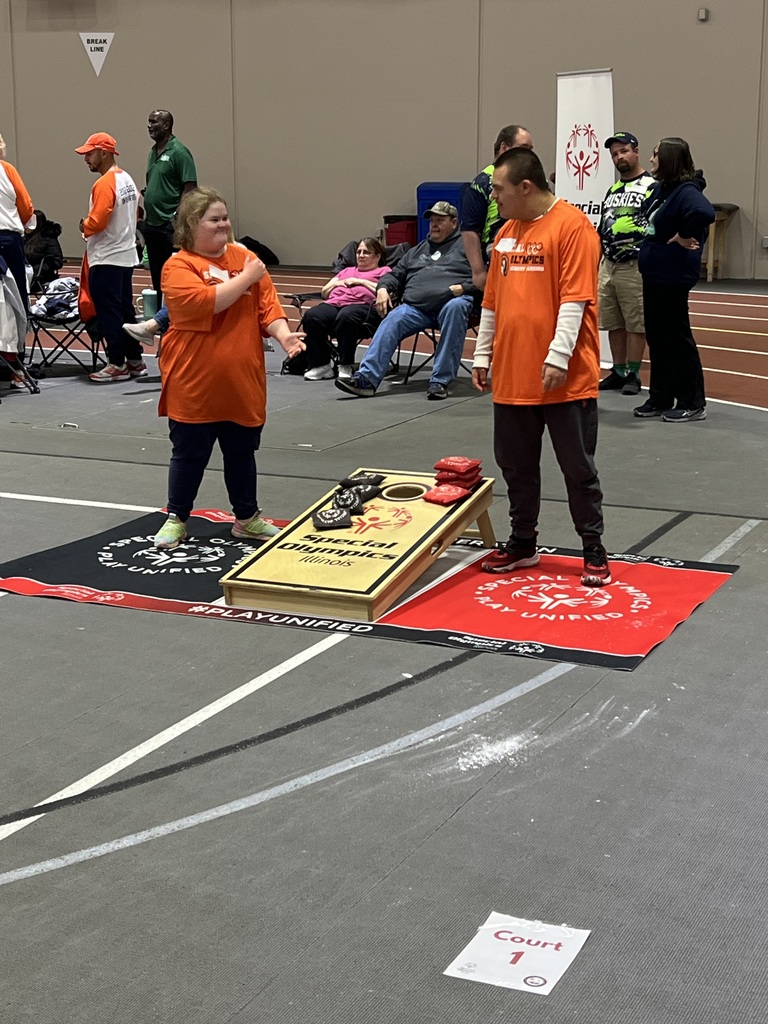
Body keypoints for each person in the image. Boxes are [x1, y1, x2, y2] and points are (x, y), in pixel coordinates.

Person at [472, 148, 611, 587]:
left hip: (564, 379)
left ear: (525, 187)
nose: (494, 198)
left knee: (577, 467)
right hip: (513, 376)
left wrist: (557, 356)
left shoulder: (573, 227)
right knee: (515, 466)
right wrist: (482, 353)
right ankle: (522, 543)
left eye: (499, 190)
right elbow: (492, 301)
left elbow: (575, 299)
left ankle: (593, 549)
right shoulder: (507, 233)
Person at [152, 187, 306, 550]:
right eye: (215, 219)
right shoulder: (178, 267)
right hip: (194, 383)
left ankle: (247, 519)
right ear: (192, 224)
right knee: (189, 454)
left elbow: (268, 309)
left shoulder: (245, 258)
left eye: (225, 217)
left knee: (241, 453)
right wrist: (246, 278)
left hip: (241, 380)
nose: (224, 225)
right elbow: (202, 304)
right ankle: (177, 518)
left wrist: (286, 339)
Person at [335, 201, 474, 401]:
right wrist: (383, 288)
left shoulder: (467, 246)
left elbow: (484, 278)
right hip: (416, 307)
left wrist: (464, 288)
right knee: (394, 318)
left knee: (457, 306)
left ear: (454, 223)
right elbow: (395, 274)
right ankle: (366, 379)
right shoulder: (417, 250)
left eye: (440, 220)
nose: (434, 224)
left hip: (450, 303)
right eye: (432, 220)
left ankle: (439, 381)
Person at [635, 137, 715, 422]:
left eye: (656, 154)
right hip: (655, 273)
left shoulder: (685, 191)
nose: (651, 159)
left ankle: (693, 402)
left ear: (668, 159)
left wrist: (683, 235)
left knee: (677, 338)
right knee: (657, 337)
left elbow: (704, 212)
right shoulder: (662, 190)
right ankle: (660, 397)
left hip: (672, 276)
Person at [74, 132, 144, 384]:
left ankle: (116, 362)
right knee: (126, 310)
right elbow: (136, 213)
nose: (86, 160)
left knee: (109, 312)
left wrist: (84, 226)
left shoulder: (104, 184)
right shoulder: (126, 178)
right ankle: (135, 360)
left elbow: (98, 221)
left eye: (89, 154)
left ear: (104, 153)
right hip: (125, 255)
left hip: (106, 257)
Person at [597, 132, 655, 397]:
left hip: (635, 265)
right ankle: (617, 371)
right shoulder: (613, 190)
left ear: (636, 151)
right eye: (614, 154)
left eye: (623, 151)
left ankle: (633, 373)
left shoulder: (651, 186)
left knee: (635, 323)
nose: (619, 157)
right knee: (613, 322)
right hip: (608, 265)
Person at [302, 237, 391, 381]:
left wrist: (360, 281)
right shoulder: (346, 271)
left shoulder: (384, 272)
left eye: (366, 252)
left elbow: (387, 290)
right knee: (313, 316)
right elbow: (325, 293)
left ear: (377, 256)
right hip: (335, 303)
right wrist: (336, 284)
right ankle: (321, 365)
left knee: (347, 316)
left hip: (365, 308)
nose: (361, 255)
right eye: (359, 252)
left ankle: (345, 364)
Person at [461, 124, 534, 292]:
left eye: (531, 149)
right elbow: (470, 230)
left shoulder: (533, 180)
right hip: (496, 259)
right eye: (524, 148)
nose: (528, 154)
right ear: (504, 148)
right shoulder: (483, 181)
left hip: (530, 256)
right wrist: (478, 272)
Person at [142, 109, 197, 304]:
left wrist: (177, 217)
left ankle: (176, 313)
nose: (149, 126)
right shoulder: (153, 152)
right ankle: (159, 316)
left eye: (154, 122)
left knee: (174, 273)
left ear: (166, 125)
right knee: (157, 273)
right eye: (149, 122)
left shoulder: (179, 152)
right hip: (152, 224)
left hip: (169, 225)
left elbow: (190, 189)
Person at [0, 145, 35, 314]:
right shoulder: (7, 170)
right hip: (8, 237)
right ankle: (19, 337)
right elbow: (26, 206)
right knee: (17, 294)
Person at [24, 210, 64, 291]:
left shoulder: (49, 239)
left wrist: (37, 269)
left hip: (39, 277)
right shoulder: (22, 238)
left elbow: (57, 261)